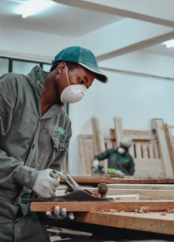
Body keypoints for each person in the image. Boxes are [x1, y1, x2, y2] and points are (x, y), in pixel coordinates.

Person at [0, 46, 108, 242]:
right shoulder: (13, 87)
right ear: (61, 69)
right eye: (80, 81)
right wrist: (29, 176)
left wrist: (51, 205)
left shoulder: (64, 123)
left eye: (87, 87)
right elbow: (35, 177)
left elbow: (52, 175)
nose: (81, 90)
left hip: (30, 220)